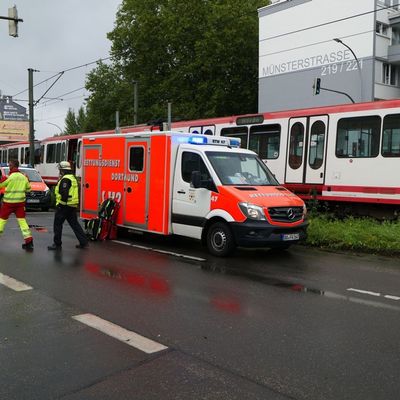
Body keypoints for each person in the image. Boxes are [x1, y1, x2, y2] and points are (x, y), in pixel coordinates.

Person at [48, 161, 88, 250]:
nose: (59, 171)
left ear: (62, 170)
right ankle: (83, 242)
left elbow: (64, 194)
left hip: (64, 206)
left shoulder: (65, 179)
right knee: (75, 224)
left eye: (60, 169)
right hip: (72, 205)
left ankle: (57, 244)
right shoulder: (73, 178)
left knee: (58, 224)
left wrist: (60, 205)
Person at [0, 159, 34, 250]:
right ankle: (29, 242)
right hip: (20, 203)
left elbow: (0, 185)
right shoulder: (24, 177)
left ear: (14, 166)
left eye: (10, 165)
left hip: (8, 203)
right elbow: (28, 189)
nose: (9, 167)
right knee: (22, 222)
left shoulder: (8, 177)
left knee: (2, 220)